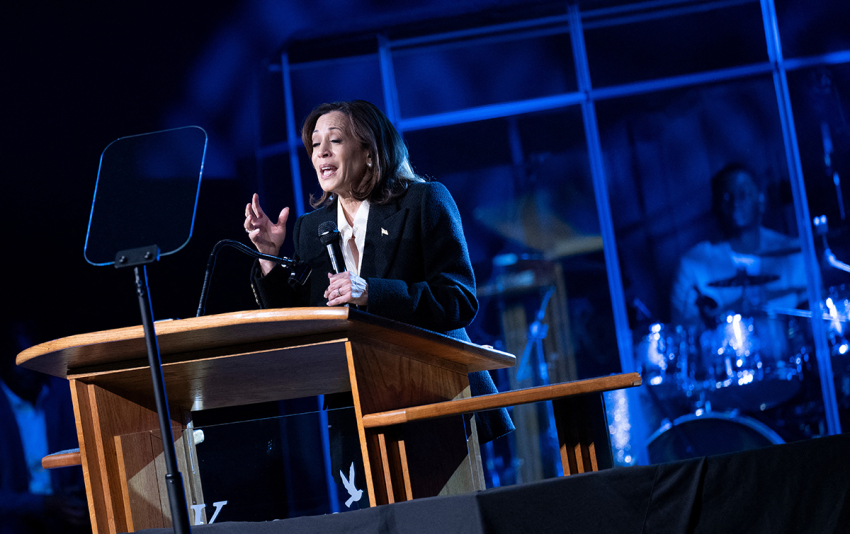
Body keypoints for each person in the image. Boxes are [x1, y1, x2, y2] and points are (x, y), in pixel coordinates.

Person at [242, 100, 513, 471]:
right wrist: (269, 255)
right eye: (315, 144)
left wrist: (372, 291)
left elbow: (458, 300)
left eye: (334, 140)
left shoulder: (424, 202)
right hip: (357, 411)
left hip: (437, 397)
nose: (320, 151)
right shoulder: (311, 228)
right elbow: (300, 323)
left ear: (369, 151)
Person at [671, 164, 807, 327]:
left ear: (761, 201)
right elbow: (685, 332)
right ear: (715, 207)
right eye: (727, 197)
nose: (736, 202)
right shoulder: (692, 265)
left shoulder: (793, 252)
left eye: (744, 194)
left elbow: (813, 314)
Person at [0, 322, 90, 533]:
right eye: (20, 360)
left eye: (35, 359)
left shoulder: (64, 394)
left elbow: (89, 456)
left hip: (70, 513)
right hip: (16, 518)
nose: (29, 369)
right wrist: (44, 504)